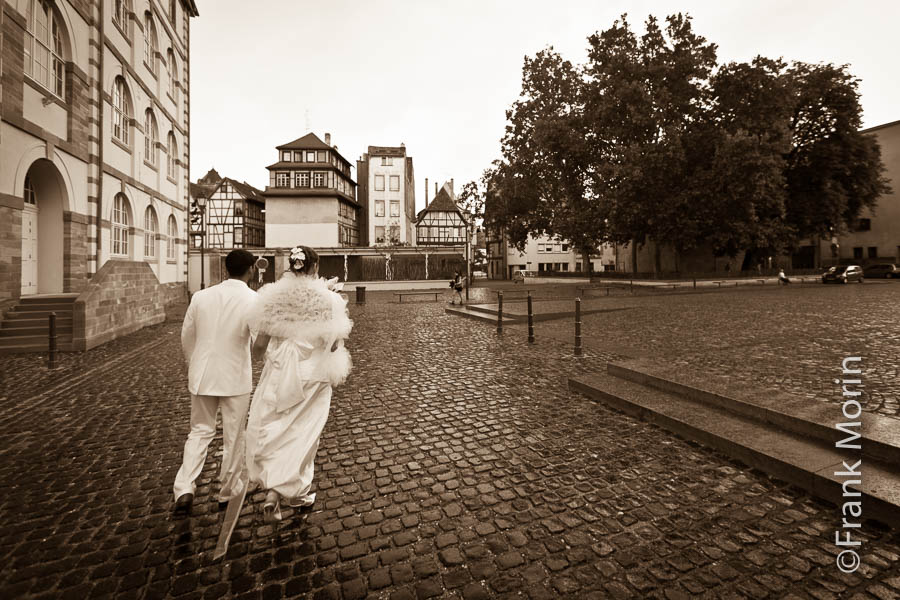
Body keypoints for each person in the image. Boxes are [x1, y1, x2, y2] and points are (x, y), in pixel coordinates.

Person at [245, 245, 353, 522]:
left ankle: (287, 492)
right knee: (305, 434)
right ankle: (287, 492)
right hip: (313, 375)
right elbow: (332, 346)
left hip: (280, 373)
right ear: (315, 268)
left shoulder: (272, 297)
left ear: (290, 265)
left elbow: (258, 348)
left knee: (276, 430)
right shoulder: (329, 300)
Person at [173, 249, 259, 516]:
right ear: (251, 270)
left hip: (202, 374)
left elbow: (187, 335)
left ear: (226, 269)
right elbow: (259, 342)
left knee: (199, 431)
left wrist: (194, 363)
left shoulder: (201, 296)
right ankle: (227, 490)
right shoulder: (254, 300)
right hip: (234, 376)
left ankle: (185, 488)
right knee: (233, 437)